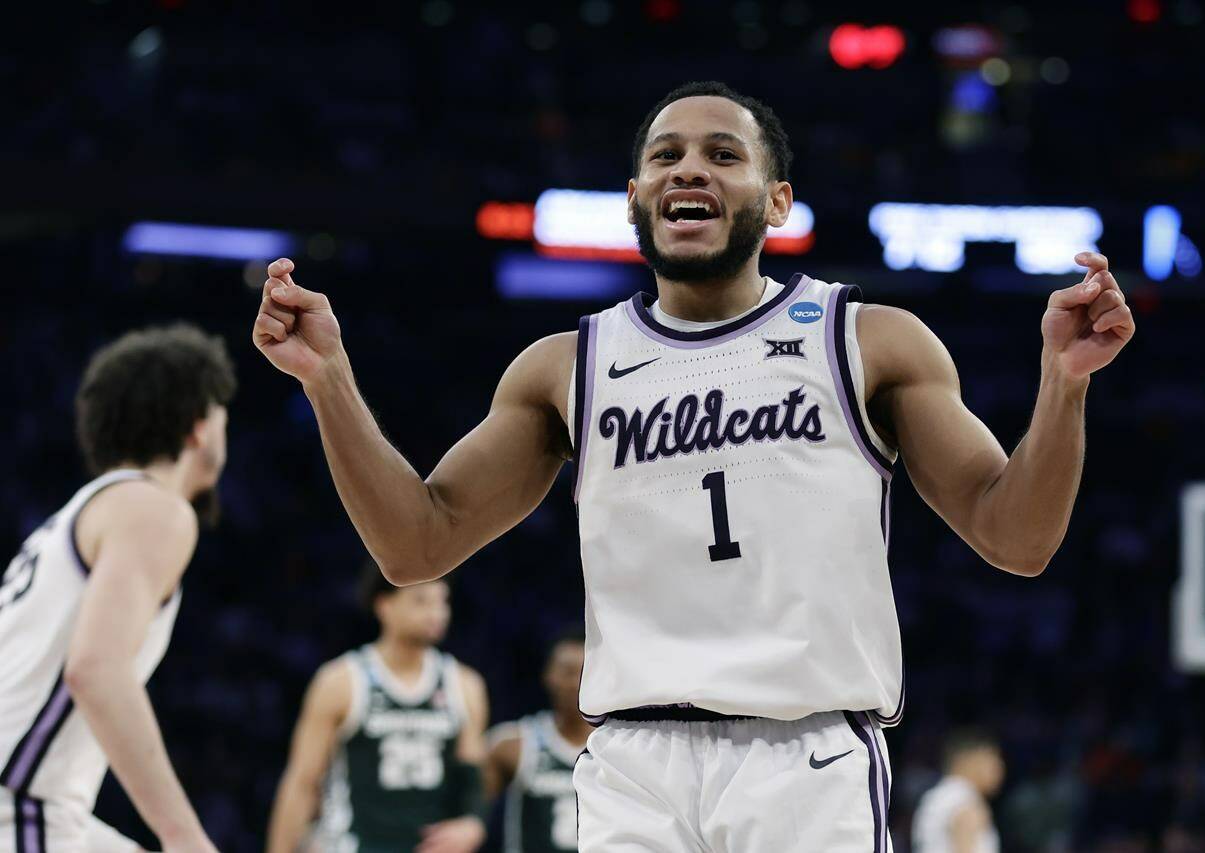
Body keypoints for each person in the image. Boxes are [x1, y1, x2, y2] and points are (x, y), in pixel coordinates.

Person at [252, 80, 1135, 852]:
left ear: (779, 200)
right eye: (666, 155)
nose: (689, 169)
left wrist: (1063, 387)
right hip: (634, 761)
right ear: (634, 198)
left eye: (723, 153)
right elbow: (416, 543)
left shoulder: (867, 339)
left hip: (807, 754)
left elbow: (1016, 538)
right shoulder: (567, 365)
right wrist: (328, 381)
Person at [0, 324, 235, 853]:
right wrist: (183, 835)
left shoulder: (87, 512)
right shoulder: (154, 509)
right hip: (20, 805)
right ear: (198, 426)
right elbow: (95, 669)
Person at [267, 562, 488, 853]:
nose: (437, 612)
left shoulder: (465, 684)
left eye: (442, 601)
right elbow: (302, 782)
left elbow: (472, 777)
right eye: (421, 601)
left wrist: (474, 822)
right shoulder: (341, 681)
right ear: (384, 606)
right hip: (351, 844)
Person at [484, 631, 588, 853]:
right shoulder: (512, 743)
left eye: (585, 672)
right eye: (568, 672)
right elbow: (470, 815)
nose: (576, 683)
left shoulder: (618, 747)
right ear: (549, 675)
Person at [912, 730, 1005, 853]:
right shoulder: (965, 800)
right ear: (971, 760)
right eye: (993, 760)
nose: (1000, 768)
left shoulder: (936, 796)